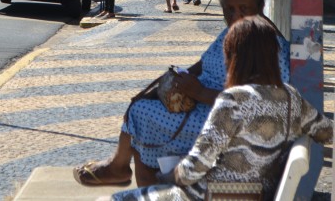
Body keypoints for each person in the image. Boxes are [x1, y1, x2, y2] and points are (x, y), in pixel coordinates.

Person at [74, 0, 291, 189]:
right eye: (229, 10)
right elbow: (202, 65)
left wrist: (201, 93)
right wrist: (175, 79)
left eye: (244, 9)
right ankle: (130, 175)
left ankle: (122, 170)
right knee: (142, 103)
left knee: (142, 115)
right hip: (204, 108)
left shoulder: (269, 47)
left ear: (260, 6)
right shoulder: (233, 33)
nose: (236, 16)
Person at [108, 14, 330, 201]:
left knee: (114, 199)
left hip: (214, 195)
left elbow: (193, 168)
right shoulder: (292, 98)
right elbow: (327, 132)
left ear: (235, 58)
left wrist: (164, 178)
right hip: (261, 194)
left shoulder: (233, 101)